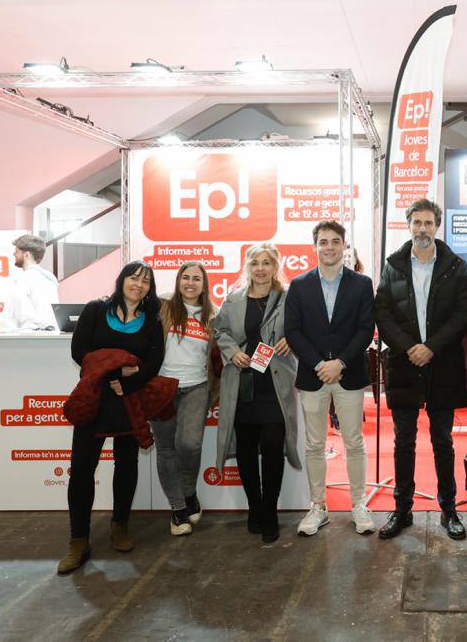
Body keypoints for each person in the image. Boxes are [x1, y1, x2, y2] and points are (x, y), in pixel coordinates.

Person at [374, 198, 467, 541]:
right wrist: (409, 347)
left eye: (428, 223)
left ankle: (449, 510)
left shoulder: (455, 266)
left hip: (443, 365)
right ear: (409, 226)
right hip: (404, 366)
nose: (422, 229)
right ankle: (402, 510)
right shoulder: (392, 265)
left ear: (437, 226)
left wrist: (431, 347)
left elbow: (462, 313)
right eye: (417, 222)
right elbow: (383, 312)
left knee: (443, 441)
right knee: (403, 441)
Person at [57, 261, 165, 574]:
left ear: (150, 288)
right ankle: (78, 539)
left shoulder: (151, 318)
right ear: (122, 280)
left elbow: (154, 361)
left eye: (145, 281)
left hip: (129, 398)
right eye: (134, 277)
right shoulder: (95, 309)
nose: (139, 284)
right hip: (94, 396)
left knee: (126, 463)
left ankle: (120, 525)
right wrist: (114, 371)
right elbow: (79, 351)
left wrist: (128, 383)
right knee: (82, 468)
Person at [285, 221, 375, 536]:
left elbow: (365, 328)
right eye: (323, 242)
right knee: (314, 444)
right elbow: (293, 331)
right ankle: (318, 506)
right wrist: (320, 364)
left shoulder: (362, 284)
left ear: (344, 245)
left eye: (335, 241)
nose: (329, 247)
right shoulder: (299, 285)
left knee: (354, 442)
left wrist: (340, 362)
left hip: (349, 373)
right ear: (315, 246)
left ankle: (359, 504)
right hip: (313, 375)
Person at [214, 243, 300, 543]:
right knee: (247, 451)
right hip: (243, 384)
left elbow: (304, 328)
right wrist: (232, 352)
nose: (261, 268)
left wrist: (293, 339)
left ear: (276, 266)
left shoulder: (289, 298)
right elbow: (220, 332)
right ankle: (255, 508)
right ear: (247, 267)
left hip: (275, 385)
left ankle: (270, 511)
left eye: (266, 262)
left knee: (273, 448)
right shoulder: (233, 299)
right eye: (255, 263)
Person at [154, 261, 215, 536]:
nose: (190, 283)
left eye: (196, 279)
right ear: (178, 281)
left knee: (189, 444)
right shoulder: (163, 307)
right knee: (166, 448)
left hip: (197, 386)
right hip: (162, 386)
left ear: (204, 284)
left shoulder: (213, 314)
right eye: (185, 277)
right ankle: (178, 509)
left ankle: (189, 492)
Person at [12, 233, 60, 328]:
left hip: (32, 332)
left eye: (17, 251)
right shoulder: (51, 277)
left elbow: (18, 312)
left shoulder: (22, 279)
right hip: (53, 330)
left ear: (27, 255)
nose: (14, 254)